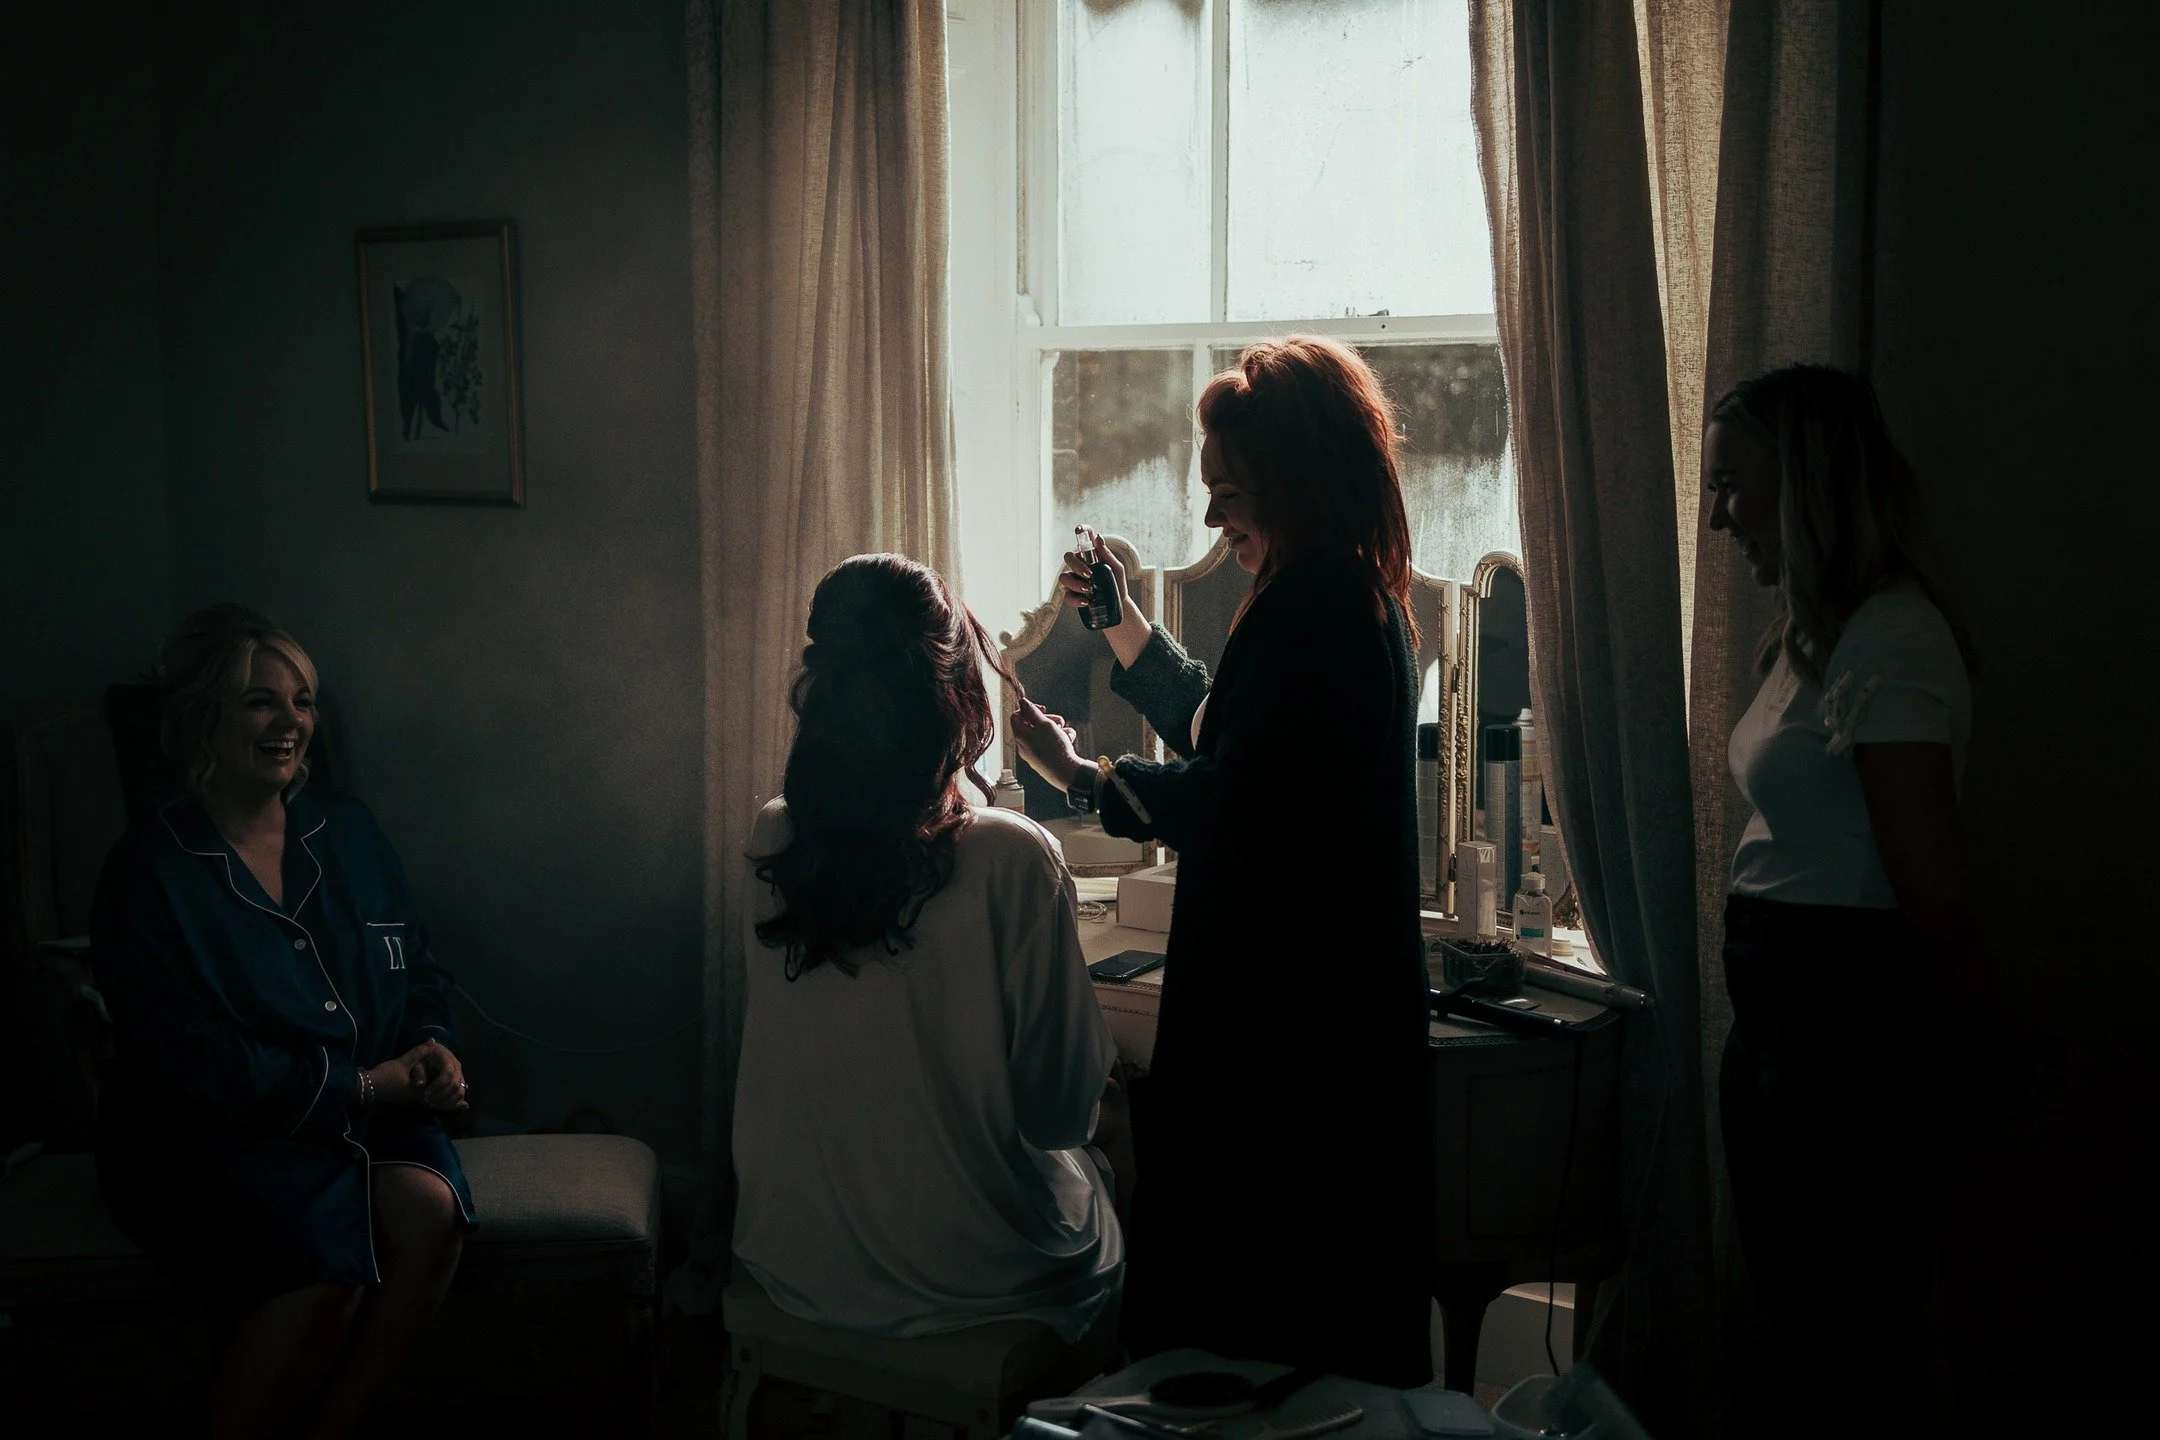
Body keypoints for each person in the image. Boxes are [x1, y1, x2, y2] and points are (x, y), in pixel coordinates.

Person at [1013, 337, 1433, 1386]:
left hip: (1288, 1042)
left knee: (1259, 1340)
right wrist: (1126, 633)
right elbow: (1231, 731)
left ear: (1296, 482)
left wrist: (1079, 775)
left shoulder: (1318, 609)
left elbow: (1231, 797)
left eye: (1231, 493)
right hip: (1316, 1028)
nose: (1211, 521)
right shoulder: (1335, 594)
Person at [92, 604, 474, 1440]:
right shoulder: (149, 875)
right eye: (261, 702)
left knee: (429, 1211)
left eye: (302, 702)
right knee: (323, 1260)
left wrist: (434, 1048)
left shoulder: (352, 833)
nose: (290, 723)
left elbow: (419, 969)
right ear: (204, 717)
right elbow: (200, 1064)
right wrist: (363, 1084)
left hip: (373, 1111)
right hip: (218, 1132)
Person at [731, 554, 1123, 1344]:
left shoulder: (777, 834)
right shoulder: (1012, 858)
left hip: (795, 1253)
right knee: (1113, 1170)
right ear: (956, 694)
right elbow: (1060, 1114)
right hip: (975, 1274)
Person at [1705, 365, 1987, 1433]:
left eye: (1736, 484)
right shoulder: (1811, 638)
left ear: (1810, 479)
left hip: (1847, 1049)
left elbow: (1936, 898)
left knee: (1847, 1351)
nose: (1723, 518)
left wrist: (1978, 1055)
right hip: (1784, 1038)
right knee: (1806, 1339)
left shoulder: (1891, 641)